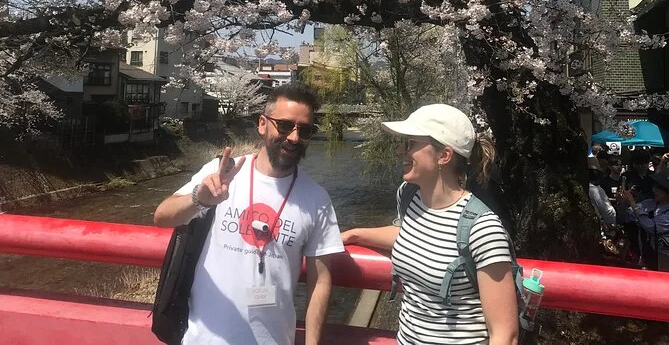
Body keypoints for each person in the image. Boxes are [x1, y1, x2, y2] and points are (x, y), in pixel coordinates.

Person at [154, 83, 344, 345]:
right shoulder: (221, 172)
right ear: (262, 124)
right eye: (285, 126)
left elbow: (320, 281)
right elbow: (162, 217)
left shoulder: (316, 199)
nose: (294, 137)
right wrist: (200, 200)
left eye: (305, 130)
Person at [341, 104, 519, 345]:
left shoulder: (483, 229)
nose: (399, 150)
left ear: (443, 156)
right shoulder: (409, 197)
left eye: (410, 144)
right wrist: (354, 235)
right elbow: (411, 234)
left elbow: (505, 335)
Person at [620, 169, 669, 270]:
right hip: (644, 255)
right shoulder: (649, 203)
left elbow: (651, 227)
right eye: (654, 186)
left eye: (659, 188)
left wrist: (633, 203)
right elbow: (627, 217)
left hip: (663, 259)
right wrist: (624, 201)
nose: (654, 190)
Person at [587, 157, 617, 232]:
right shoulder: (595, 190)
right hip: (598, 229)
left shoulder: (581, 188)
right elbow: (609, 212)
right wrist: (612, 227)